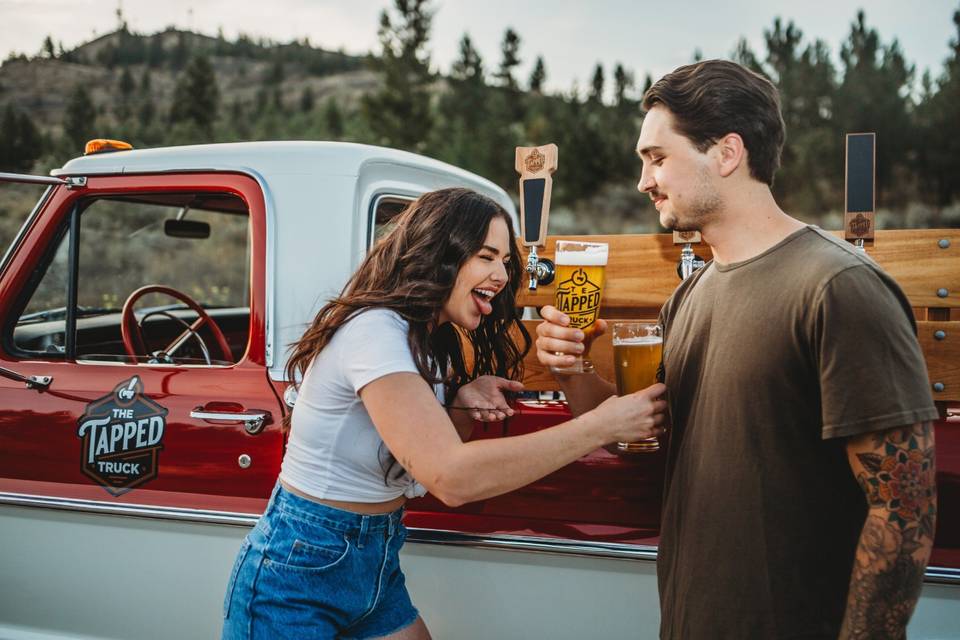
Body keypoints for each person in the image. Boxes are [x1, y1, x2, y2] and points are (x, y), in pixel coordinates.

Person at [535, 60, 938, 639]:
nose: (644, 181)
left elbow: (903, 506)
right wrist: (572, 371)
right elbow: (649, 436)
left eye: (657, 158)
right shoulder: (690, 296)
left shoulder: (838, 287)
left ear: (727, 153)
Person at [221, 187, 667, 639]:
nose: (501, 274)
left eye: (506, 261)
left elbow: (412, 472)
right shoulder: (375, 330)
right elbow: (452, 478)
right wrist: (600, 425)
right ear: (440, 252)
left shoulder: (427, 344)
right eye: (486, 256)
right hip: (299, 565)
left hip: (373, 556)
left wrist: (462, 405)